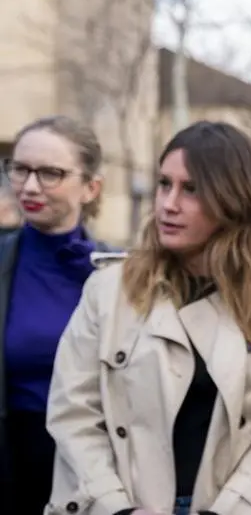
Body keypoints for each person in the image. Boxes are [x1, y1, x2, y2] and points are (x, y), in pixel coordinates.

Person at [45, 121, 251, 515]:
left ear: (233, 199)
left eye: (191, 189)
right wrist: (116, 508)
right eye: (164, 184)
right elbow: (73, 411)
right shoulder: (110, 288)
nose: (168, 204)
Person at [0, 115, 104, 515]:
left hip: (92, 470)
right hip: (11, 463)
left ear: (90, 188)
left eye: (50, 173)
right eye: (20, 169)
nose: (29, 186)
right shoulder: (6, 261)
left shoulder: (116, 274)